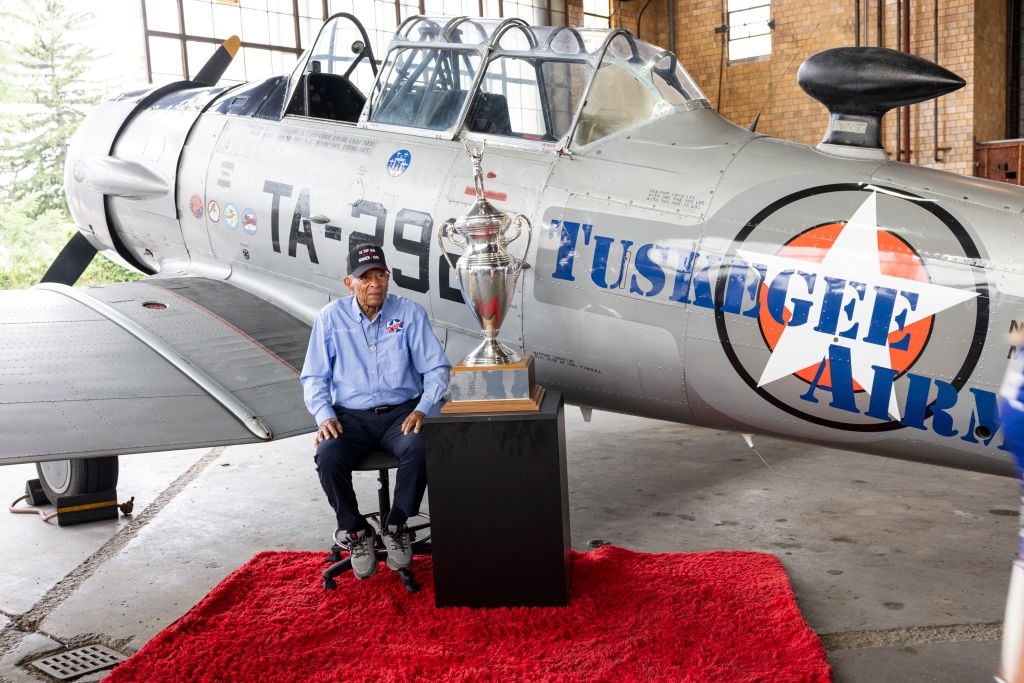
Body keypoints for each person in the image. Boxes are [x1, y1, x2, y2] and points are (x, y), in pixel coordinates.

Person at [301, 243, 451, 580]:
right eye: (365, 277)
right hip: (349, 418)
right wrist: (325, 416)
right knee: (327, 454)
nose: (374, 284)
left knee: (419, 444)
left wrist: (424, 408)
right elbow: (313, 376)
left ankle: (397, 523)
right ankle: (355, 531)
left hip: (402, 412)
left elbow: (438, 369)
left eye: (380, 275)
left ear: (388, 277)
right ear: (348, 283)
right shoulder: (330, 319)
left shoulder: (409, 313)